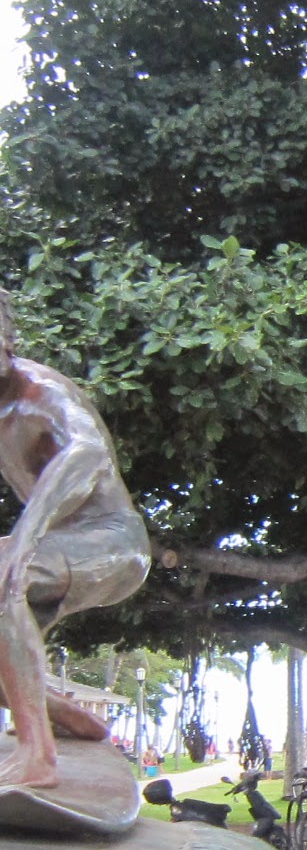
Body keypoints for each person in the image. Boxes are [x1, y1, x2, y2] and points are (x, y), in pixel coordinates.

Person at [0, 292, 151, 789]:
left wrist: (23, 538)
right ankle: (57, 711)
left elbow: (85, 454)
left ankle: (37, 755)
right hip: (55, 546)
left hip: (112, 544)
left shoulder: (41, 391)